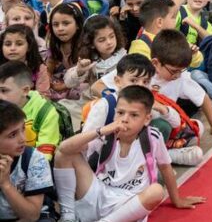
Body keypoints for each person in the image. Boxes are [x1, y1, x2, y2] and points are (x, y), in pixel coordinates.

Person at [53, 85, 201, 220]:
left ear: (146, 119)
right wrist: (101, 130)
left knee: (156, 190)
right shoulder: (106, 133)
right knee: (64, 154)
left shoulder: (152, 137)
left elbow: (165, 167)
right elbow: (63, 149)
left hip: (127, 203)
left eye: (134, 115)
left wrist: (177, 200)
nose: (124, 119)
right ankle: (68, 216)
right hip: (98, 194)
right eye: (120, 113)